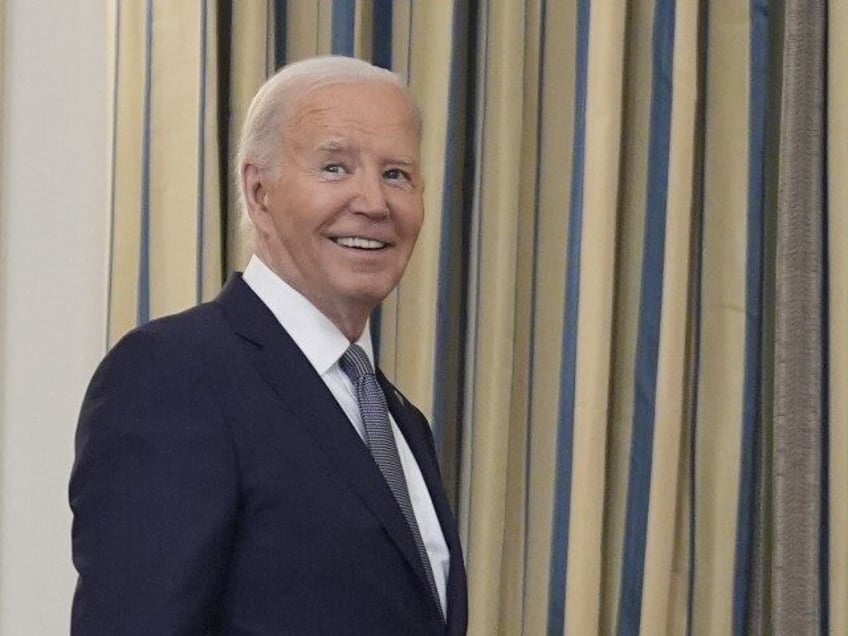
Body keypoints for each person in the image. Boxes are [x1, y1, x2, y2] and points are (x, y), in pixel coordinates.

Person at [69, 55, 468, 635]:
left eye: (397, 174)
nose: (374, 203)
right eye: (335, 167)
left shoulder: (401, 420)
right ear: (259, 191)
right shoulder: (175, 375)